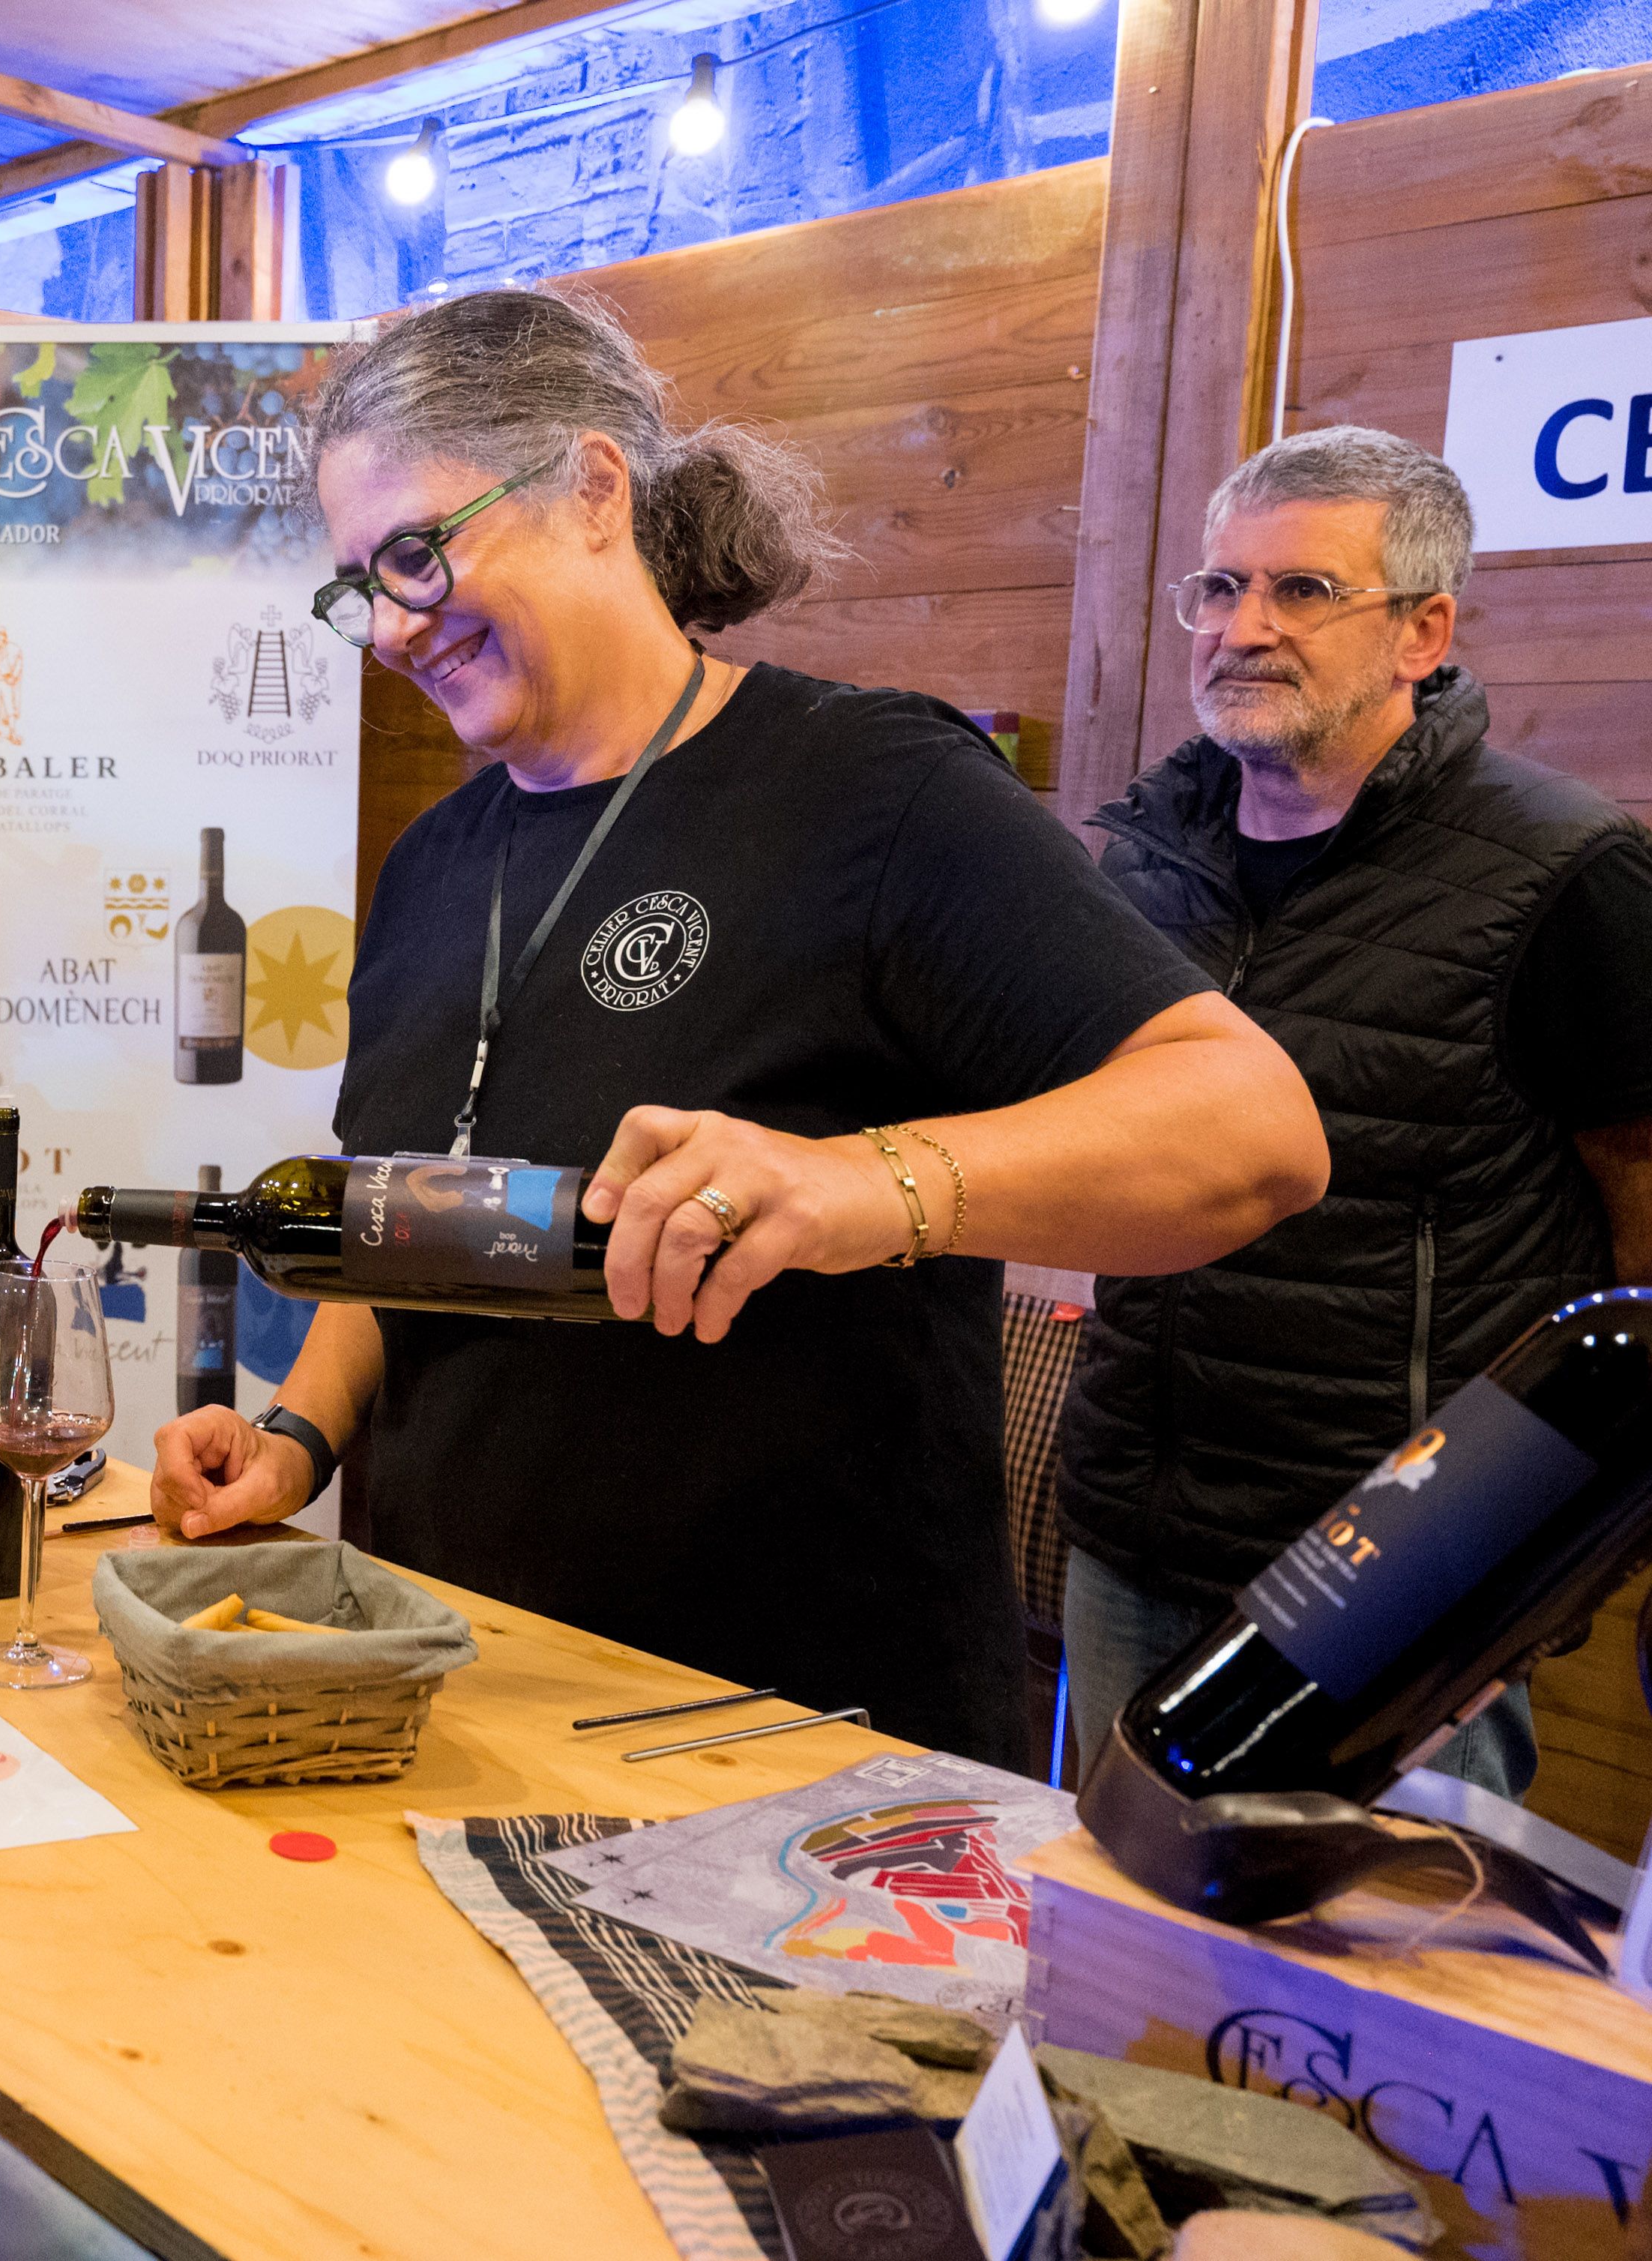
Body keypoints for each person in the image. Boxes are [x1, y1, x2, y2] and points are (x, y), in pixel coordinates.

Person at [145, 290, 1327, 1768]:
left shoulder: (868, 791)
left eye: (412, 552)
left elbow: (1252, 1128)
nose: (386, 626)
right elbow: (414, 1216)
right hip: (455, 1695)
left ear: (590, 490)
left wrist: (857, 1184)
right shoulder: (434, 861)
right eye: (354, 584)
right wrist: (295, 1441)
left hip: (796, 1749)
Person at [1059, 427, 1652, 1794]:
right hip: (1133, 1526)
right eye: (1219, 589)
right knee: (1108, 1948)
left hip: (1394, 1570)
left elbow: (1646, 1225)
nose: (1244, 629)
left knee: (1366, 1982)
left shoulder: (1567, 870)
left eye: (1303, 592)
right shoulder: (1144, 863)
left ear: (1423, 632)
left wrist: (1568, 1538)